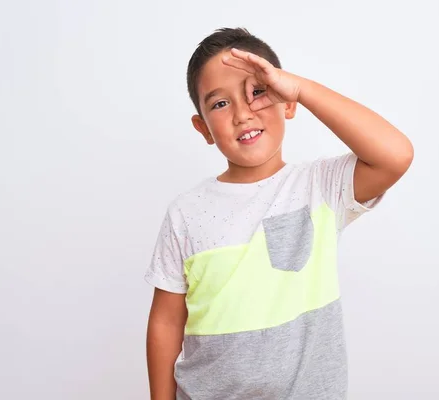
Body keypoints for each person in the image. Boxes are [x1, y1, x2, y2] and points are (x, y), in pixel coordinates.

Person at [145, 27, 414, 400]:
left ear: (287, 102)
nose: (242, 114)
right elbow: (166, 320)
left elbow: (395, 155)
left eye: (258, 92)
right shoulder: (186, 212)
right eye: (220, 104)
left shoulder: (320, 188)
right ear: (203, 127)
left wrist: (301, 88)